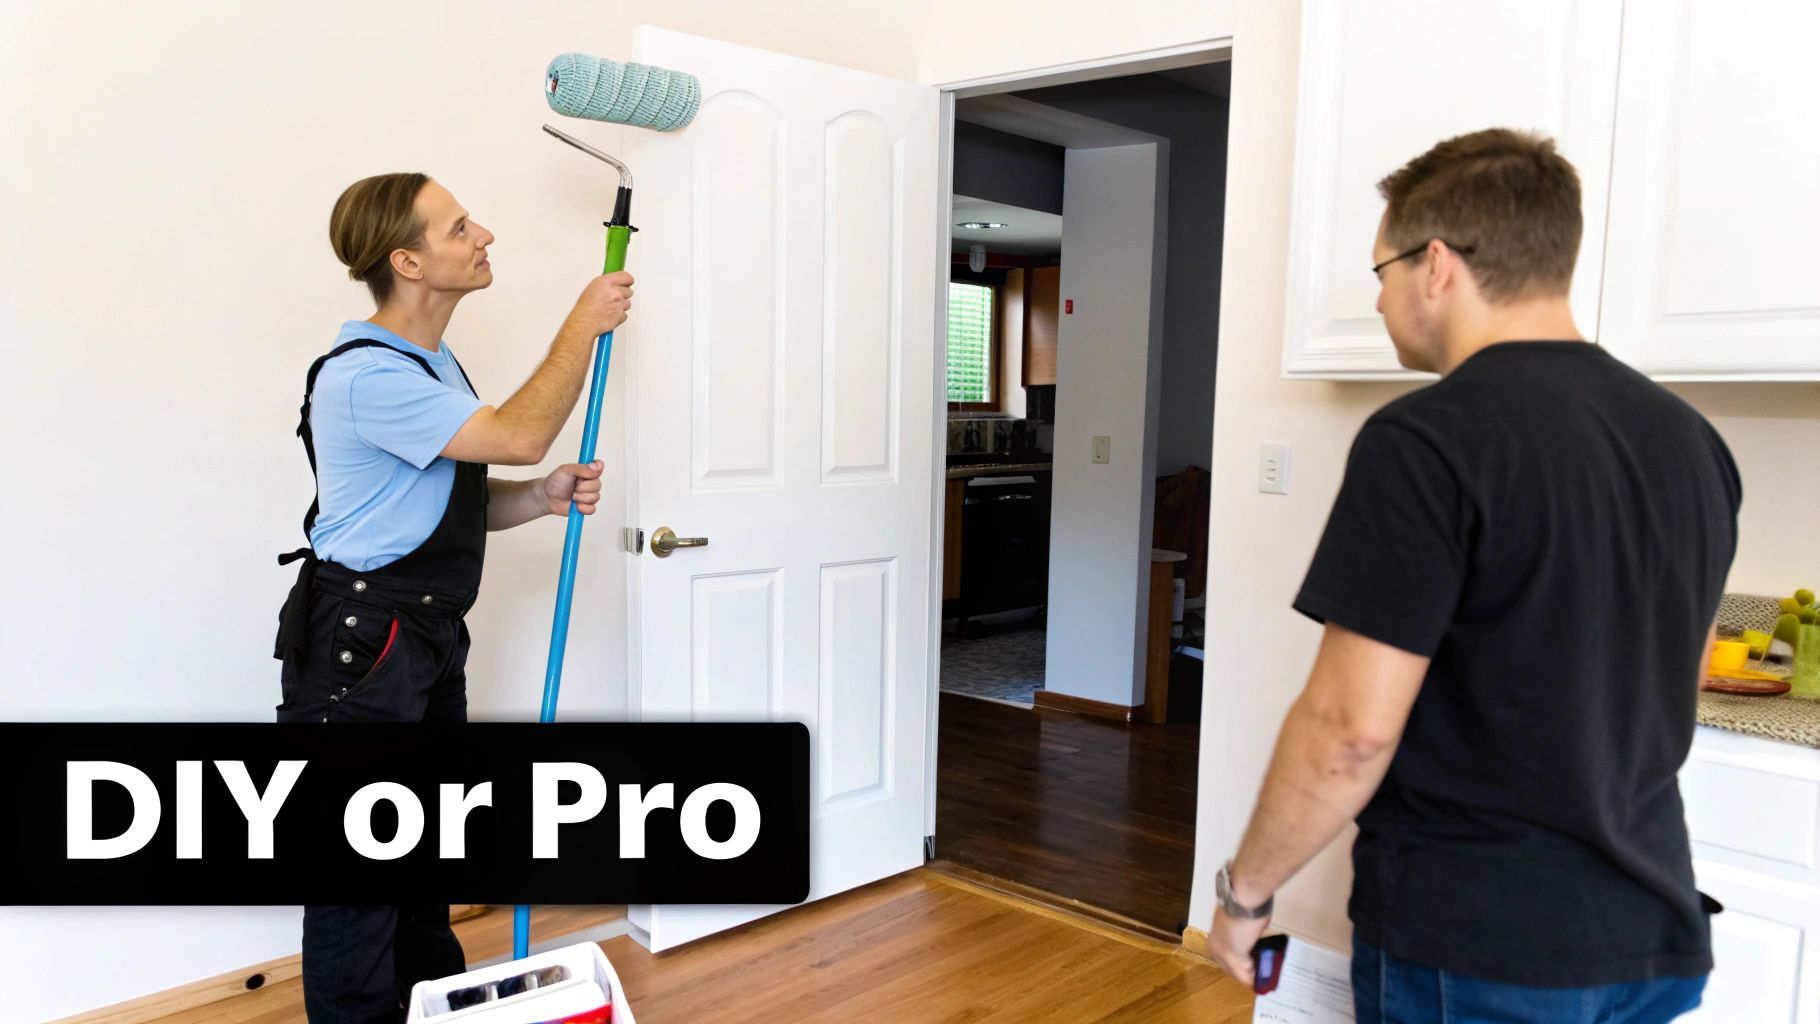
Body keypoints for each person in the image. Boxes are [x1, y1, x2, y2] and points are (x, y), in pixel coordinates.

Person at [1203, 129, 1739, 1023]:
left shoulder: (1425, 440)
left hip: (1483, 948)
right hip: (1652, 934)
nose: (1377, 299)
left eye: (1381, 271)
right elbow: (1681, 677)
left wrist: (1244, 894)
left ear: (1437, 265)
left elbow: (1348, 731)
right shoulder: (1691, 441)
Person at [273, 171, 633, 1023]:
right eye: (460, 227)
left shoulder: (430, 362)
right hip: (361, 650)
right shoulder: (367, 375)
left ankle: (432, 1010)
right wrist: (581, 325)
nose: (485, 236)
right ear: (407, 261)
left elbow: (435, 500)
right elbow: (519, 432)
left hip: (420, 640)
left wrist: (536, 498)